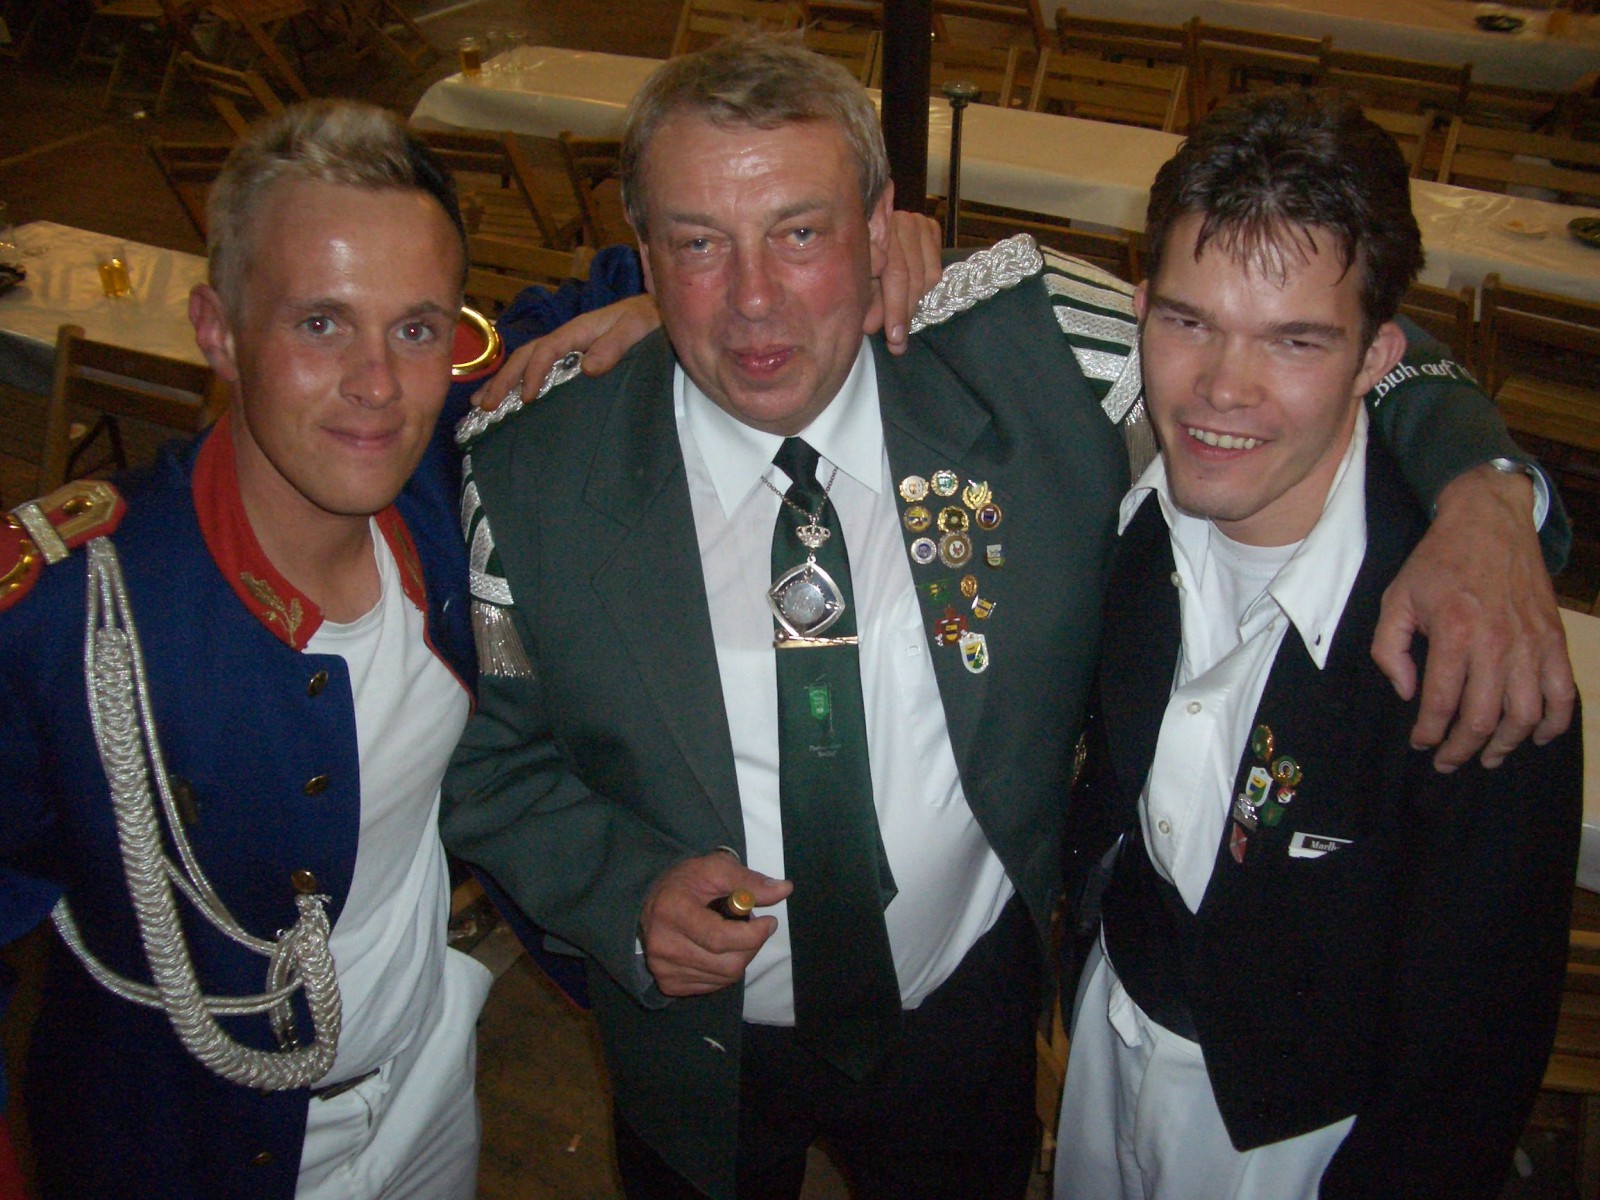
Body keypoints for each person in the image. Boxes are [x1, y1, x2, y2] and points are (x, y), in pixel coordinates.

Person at [442, 35, 1571, 1200]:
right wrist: (622, 891)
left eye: (800, 232)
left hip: (970, 1022)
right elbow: (494, 769)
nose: (754, 299)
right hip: (692, 1052)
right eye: (697, 244)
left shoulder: (1039, 356)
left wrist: (1487, 491)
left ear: (879, 227)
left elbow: (1301, 315)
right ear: (644, 255)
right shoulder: (529, 479)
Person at [1054, 91, 1582, 1199]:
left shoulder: (1473, 637)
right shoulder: (1122, 515)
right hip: (1110, 1032)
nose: (1221, 389)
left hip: (1305, 1132)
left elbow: (1472, 1054)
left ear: (1376, 355)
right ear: (1139, 311)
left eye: (1294, 341)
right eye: (1187, 322)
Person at [0, 101, 489, 1199]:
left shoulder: (438, 497)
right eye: (321, 323)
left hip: (427, 1093)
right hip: (186, 1152)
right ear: (216, 331)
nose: (377, 383)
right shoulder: (68, 619)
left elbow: (614, 302)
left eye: (415, 330)